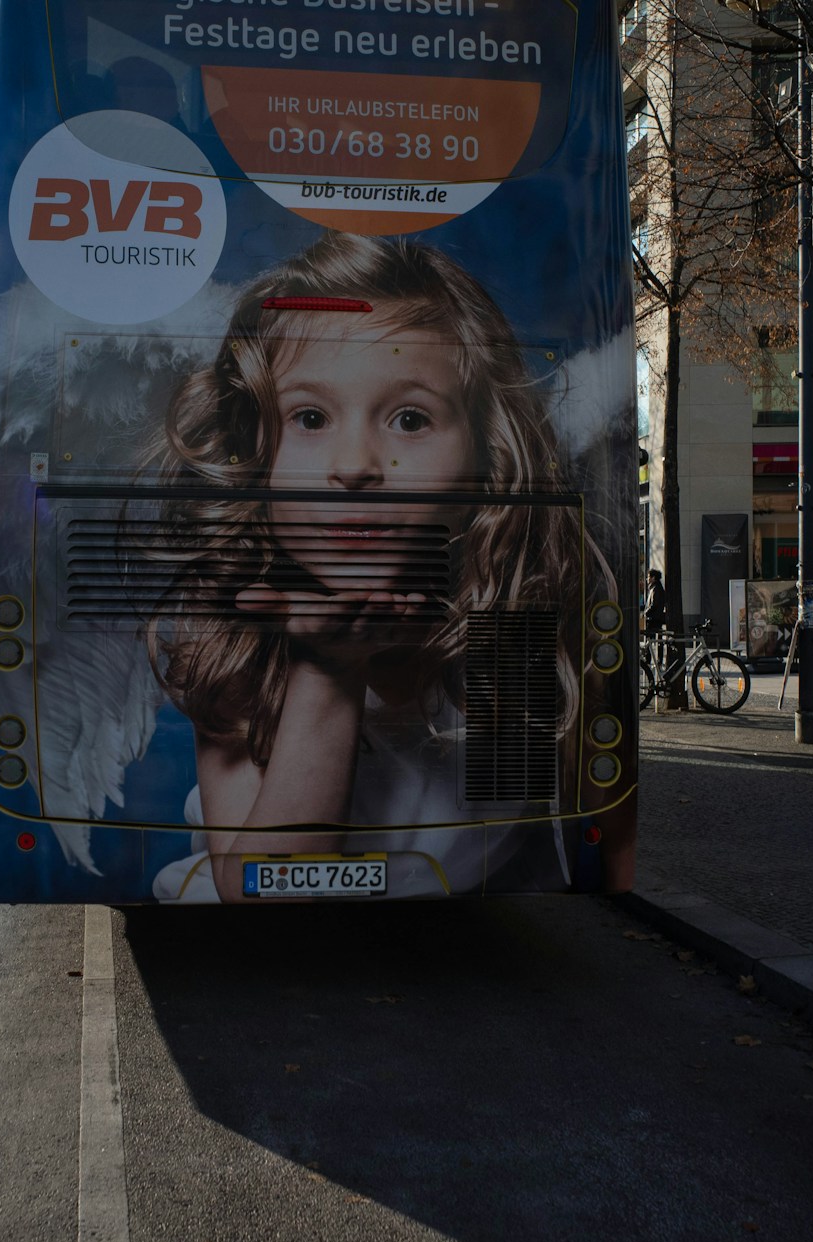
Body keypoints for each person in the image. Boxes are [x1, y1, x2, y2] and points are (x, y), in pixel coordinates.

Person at [142, 233, 604, 902]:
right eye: (309, 417)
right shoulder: (238, 642)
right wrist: (328, 671)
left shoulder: (515, 638)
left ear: (486, 454)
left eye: (410, 419)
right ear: (253, 451)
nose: (356, 465)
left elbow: (527, 854)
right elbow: (268, 894)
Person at [644, 568, 666, 634]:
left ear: (653, 578)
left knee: (652, 636)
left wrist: (646, 612)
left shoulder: (655, 589)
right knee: (654, 637)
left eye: (648, 577)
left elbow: (654, 604)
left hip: (654, 618)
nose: (647, 579)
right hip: (655, 618)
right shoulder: (655, 588)